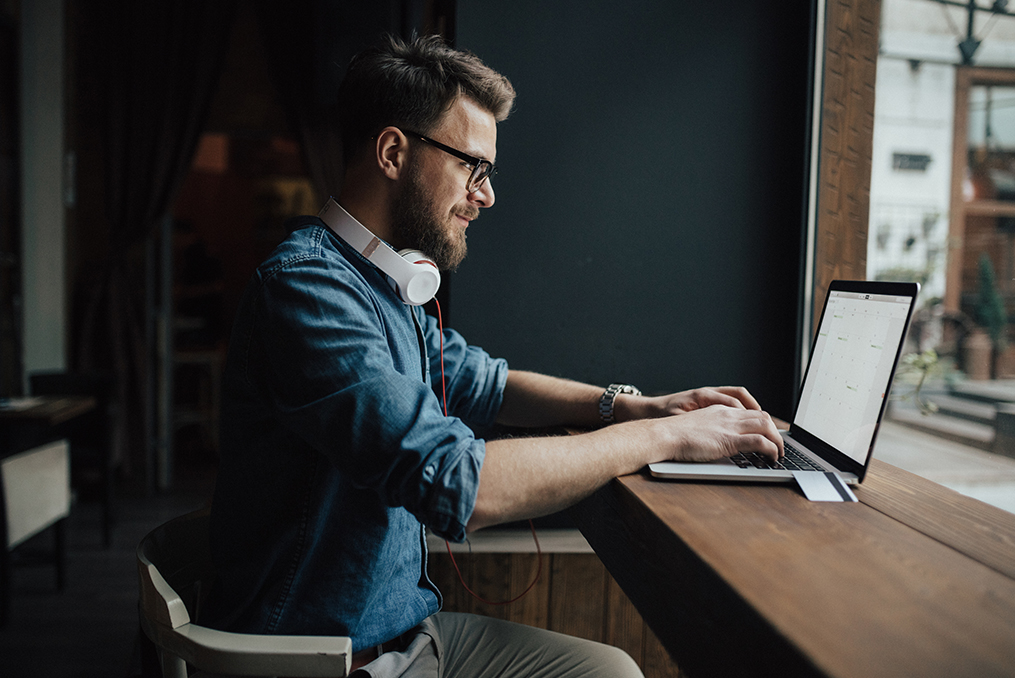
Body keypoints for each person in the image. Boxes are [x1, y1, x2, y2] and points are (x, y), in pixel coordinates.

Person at [203, 34, 784, 678]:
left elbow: (485, 384)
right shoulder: (309, 291)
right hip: (328, 658)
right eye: (471, 167)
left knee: (610, 671)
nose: (487, 195)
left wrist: (632, 405)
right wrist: (664, 437)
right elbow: (459, 484)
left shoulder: (384, 285)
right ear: (393, 152)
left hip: (403, 632)